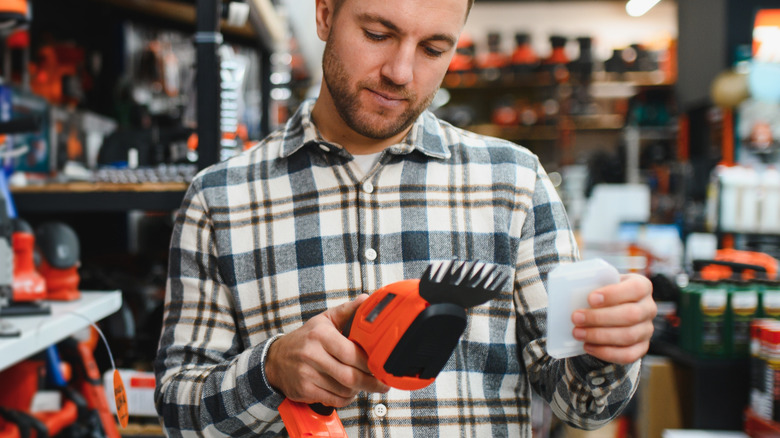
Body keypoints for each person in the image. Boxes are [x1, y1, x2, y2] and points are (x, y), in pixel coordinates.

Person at [154, 0, 657, 436]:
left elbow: (584, 406)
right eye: (378, 34)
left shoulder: (515, 183)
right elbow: (179, 413)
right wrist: (269, 371)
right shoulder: (218, 200)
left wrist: (608, 349)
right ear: (325, 13)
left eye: (433, 49)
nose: (400, 71)